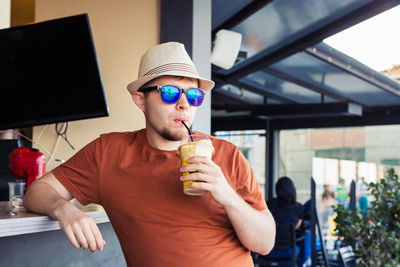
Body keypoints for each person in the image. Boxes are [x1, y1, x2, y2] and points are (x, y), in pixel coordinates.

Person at [23, 42, 276, 267]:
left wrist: (227, 195)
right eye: (170, 92)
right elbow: (36, 192)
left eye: (193, 95)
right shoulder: (108, 153)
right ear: (141, 100)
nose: (184, 104)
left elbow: (264, 243)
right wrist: (63, 209)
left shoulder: (227, 154)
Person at [264, 177, 303, 261]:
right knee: (301, 247)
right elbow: (296, 227)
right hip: (289, 252)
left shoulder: (270, 204)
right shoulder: (299, 208)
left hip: (269, 252)